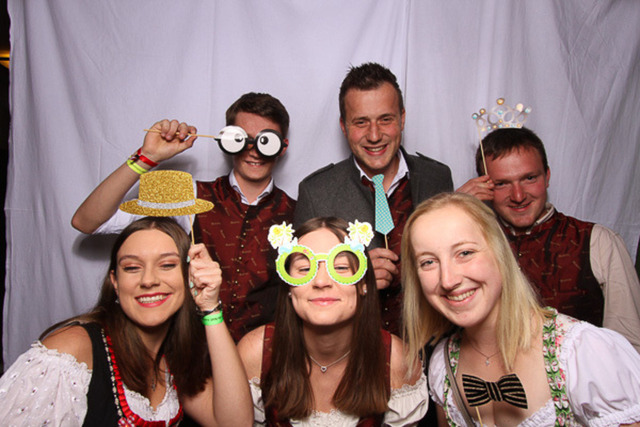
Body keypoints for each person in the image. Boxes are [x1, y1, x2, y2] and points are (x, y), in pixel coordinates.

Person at [72, 92, 296, 342]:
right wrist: (147, 157)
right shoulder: (188, 195)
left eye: (266, 141)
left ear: (282, 147)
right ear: (226, 139)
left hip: (260, 356)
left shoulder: (298, 212)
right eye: (242, 139)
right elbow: (88, 222)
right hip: (188, 350)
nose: (253, 151)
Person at [402, 193, 640, 426]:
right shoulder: (443, 364)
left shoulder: (581, 353)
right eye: (428, 262)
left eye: (465, 253)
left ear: (500, 252)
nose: (448, 280)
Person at [0, 217, 253, 426]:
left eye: (167, 265)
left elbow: (235, 424)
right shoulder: (71, 351)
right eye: (132, 268)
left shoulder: (175, 358)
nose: (148, 280)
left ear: (190, 276)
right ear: (115, 282)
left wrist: (210, 308)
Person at [294, 62, 453, 335]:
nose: (375, 135)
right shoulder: (315, 192)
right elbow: (301, 285)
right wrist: (356, 276)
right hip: (357, 345)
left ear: (402, 118)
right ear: (344, 126)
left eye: (386, 119)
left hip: (433, 337)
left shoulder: (437, 177)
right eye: (361, 122)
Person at [457, 127, 640, 352]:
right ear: (484, 187)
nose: (518, 196)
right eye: (502, 183)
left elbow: (629, 345)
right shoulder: (470, 245)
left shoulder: (598, 242)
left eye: (529, 178)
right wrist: (454, 210)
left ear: (547, 177)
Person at [238, 217, 427, 425]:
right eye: (304, 269)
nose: (321, 281)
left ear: (364, 284)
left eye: (341, 268)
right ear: (289, 288)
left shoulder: (398, 361)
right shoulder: (256, 352)